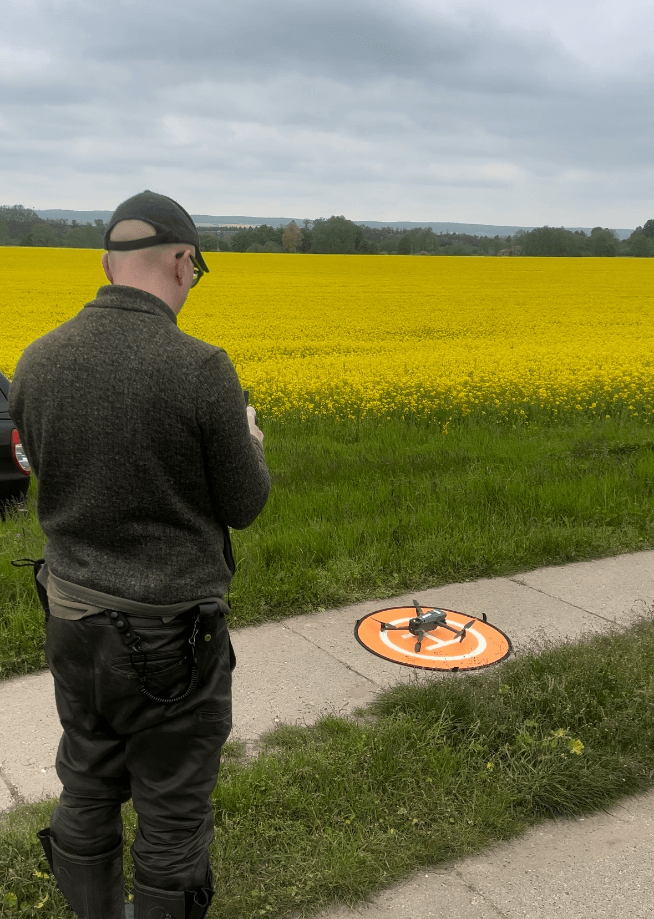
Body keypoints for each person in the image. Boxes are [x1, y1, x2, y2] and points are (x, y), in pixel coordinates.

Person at [9, 190, 270, 919]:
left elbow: (44, 470)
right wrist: (247, 439)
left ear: (106, 265)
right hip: (171, 640)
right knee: (172, 808)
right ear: (184, 262)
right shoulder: (201, 369)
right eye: (196, 268)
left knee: (87, 780)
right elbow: (245, 506)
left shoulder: (36, 361)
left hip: (72, 617)